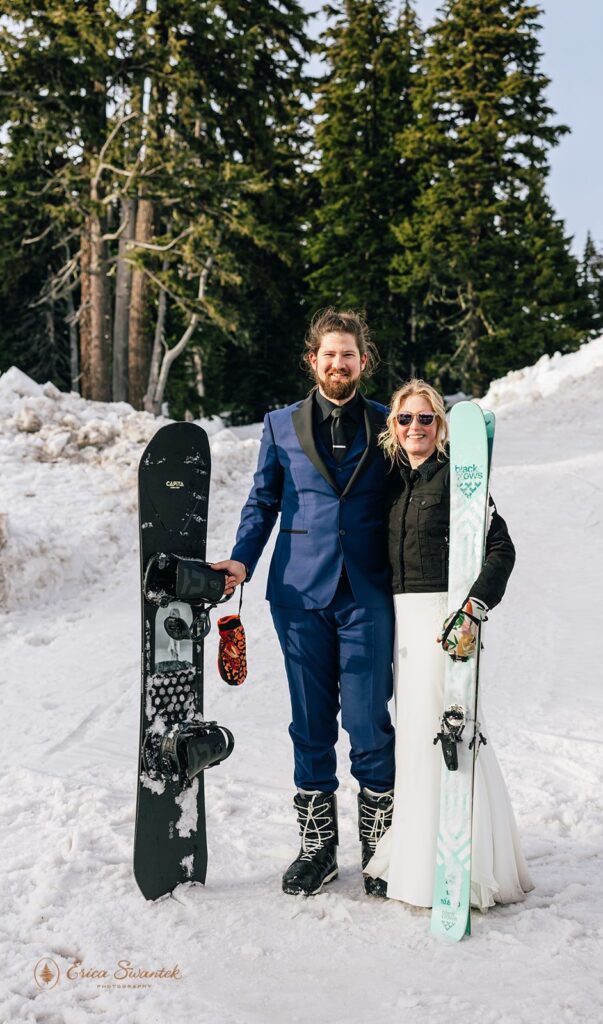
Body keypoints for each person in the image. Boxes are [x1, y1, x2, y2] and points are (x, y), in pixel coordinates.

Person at [212, 309, 395, 898]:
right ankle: (317, 847)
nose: (338, 363)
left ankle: (382, 848)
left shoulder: (388, 423)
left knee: (368, 719)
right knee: (310, 724)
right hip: (298, 593)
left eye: (349, 354)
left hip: (367, 591)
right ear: (312, 360)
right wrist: (242, 560)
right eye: (329, 354)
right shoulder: (279, 425)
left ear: (363, 362)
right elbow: (261, 502)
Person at [364, 379, 534, 910]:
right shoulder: (389, 482)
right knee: (414, 735)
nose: (415, 427)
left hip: (448, 618)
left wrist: (473, 608)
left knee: (452, 731)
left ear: (440, 427)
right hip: (403, 621)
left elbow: (500, 548)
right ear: (392, 427)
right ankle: (418, 860)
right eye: (405, 419)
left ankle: (471, 859)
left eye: (426, 419)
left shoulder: (462, 479)